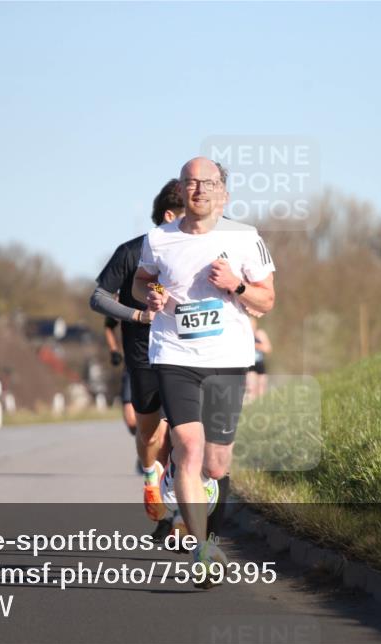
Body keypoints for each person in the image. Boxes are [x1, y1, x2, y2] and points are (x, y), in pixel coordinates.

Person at [132, 157, 276, 587]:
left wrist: (236, 283)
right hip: (174, 355)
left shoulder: (246, 238)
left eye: (208, 183)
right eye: (191, 183)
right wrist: (152, 295)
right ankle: (201, 549)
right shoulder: (158, 239)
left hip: (228, 358)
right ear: (181, 190)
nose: (199, 190)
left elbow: (267, 300)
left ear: (224, 193)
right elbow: (142, 282)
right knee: (189, 448)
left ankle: (193, 484)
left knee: (216, 462)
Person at [90, 179, 183, 523]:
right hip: (143, 356)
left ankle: (178, 510)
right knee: (150, 433)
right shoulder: (130, 252)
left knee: (182, 433)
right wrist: (138, 315)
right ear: (170, 215)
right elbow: (97, 298)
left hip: (185, 355)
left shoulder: (197, 252)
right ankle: (151, 479)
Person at [103, 316, 137, 436]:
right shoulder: (124, 299)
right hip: (133, 365)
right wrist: (114, 350)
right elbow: (109, 326)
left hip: (162, 363)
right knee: (131, 420)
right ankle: (144, 448)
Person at [246, 315, 272, 400]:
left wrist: (256, 346)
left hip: (260, 364)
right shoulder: (243, 336)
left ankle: (260, 406)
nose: (251, 327)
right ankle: (250, 406)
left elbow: (268, 349)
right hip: (250, 365)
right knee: (251, 388)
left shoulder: (260, 334)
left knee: (262, 389)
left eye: (253, 324)